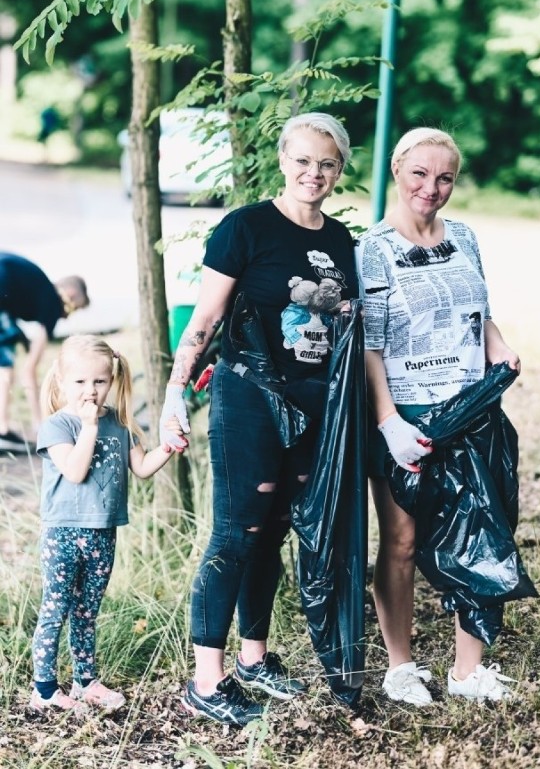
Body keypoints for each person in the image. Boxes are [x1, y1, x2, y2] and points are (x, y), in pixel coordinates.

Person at [159, 112, 359, 726]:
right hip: (248, 395)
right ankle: (207, 681)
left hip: (313, 401)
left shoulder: (340, 241)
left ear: (339, 171)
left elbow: (348, 326)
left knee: (274, 529)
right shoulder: (245, 227)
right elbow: (206, 320)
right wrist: (174, 392)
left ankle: (254, 659)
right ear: (282, 160)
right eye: (302, 160)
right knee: (237, 531)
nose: (313, 173)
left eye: (326, 164)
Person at [355, 127, 522, 705]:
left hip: (471, 408)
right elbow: (370, 344)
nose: (432, 187)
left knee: (479, 526)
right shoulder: (373, 247)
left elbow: (481, 313)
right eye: (420, 174)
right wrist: (389, 422)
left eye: (444, 177)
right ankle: (400, 666)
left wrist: (498, 346)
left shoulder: (466, 237)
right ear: (398, 171)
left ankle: (466, 670)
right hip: (410, 414)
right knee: (400, 540)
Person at [30, 334, 186, 713]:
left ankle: (86, 681)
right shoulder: (58, 426)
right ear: (63, 381)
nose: (91, 391)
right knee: (56, 607)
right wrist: (88, 427)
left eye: (99, 381)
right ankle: (45, 689)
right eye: (80, 382)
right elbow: (75, 470)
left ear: (112, 380)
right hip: (63, 532)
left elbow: (143, 468)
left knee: (87, 610)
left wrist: (167, 447)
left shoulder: (120, 424)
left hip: (103, 532)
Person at [0, 251, 89, 446]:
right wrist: (41, 424)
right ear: (71, 296)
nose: (67, 316)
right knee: (5, 362)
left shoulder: (38, 289)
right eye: (75, 308)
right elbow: (29, 369)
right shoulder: (52, 305)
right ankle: (3, 429)